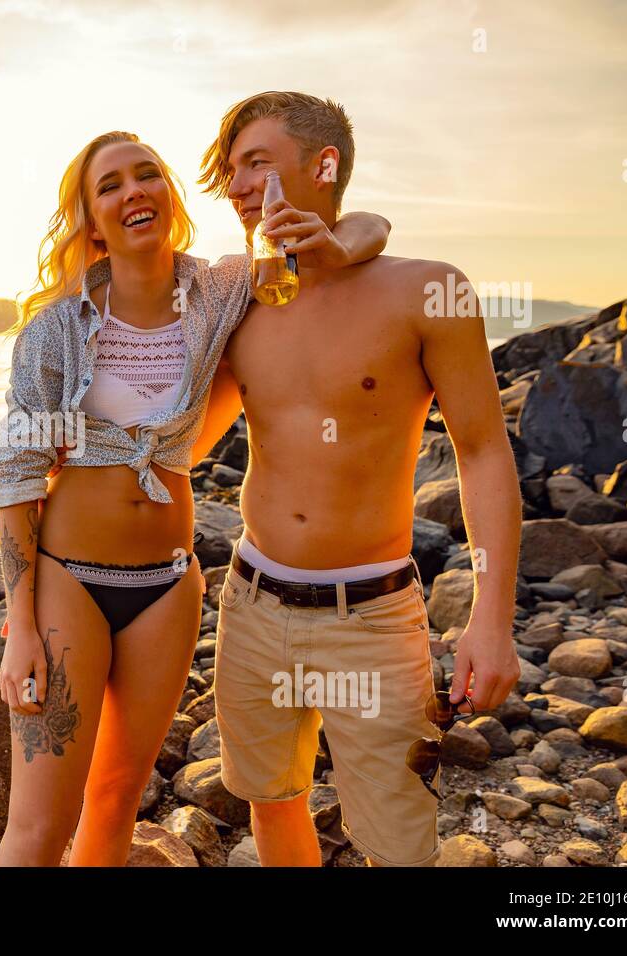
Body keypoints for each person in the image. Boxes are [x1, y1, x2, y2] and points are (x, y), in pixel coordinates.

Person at [0, 129, 391, 866]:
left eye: (147, 175)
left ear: (168, 197)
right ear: (92, 219)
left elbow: (366, 232)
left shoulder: (221, 290)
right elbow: (15, 481)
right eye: (109, 185)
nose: (132, 190)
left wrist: (333, 234)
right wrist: (20, 625)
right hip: (69, 582)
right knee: (39, 826)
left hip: (169, 588)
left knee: (115, 801)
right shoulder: (55, 330)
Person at [191, 91, 522, 867]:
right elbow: (185, 441)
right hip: (252, 604)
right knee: (273, 804)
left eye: (256, 163)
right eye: (230, 170)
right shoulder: (238, 294)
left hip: (372, 617)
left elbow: (481, 451)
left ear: (324, 165)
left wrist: (491, 619)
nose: (237, 185)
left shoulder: (427, 291)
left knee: (402, 845)